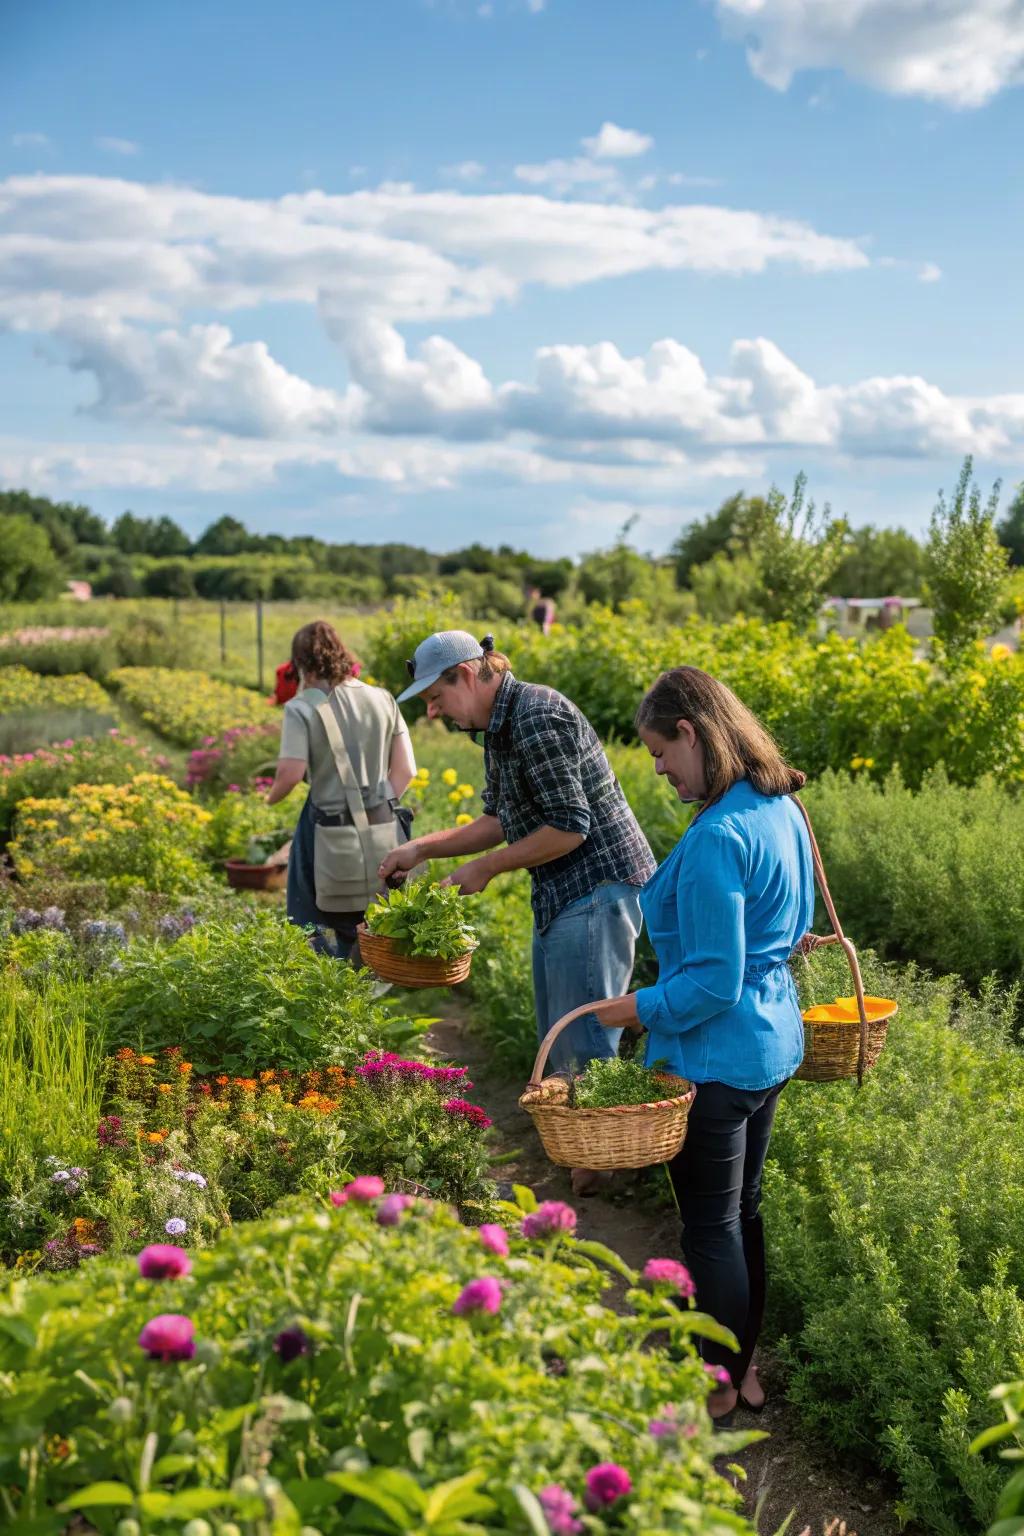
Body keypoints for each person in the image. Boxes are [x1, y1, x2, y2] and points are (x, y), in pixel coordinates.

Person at [596, 666, 814, 1422]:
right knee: (743, 1213)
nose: (658, 770)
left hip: (717, 1057)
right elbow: (778, 933)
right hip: (771, 1043)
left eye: (661, 752)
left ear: (691, 731)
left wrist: (638, 1008)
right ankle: (743, 1368)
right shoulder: (777, 804)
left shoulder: (721, 834)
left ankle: (717, 1383)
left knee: (710, 1229)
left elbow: (714, 983)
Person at [379, 629, 655, 1194]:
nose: (434, 713)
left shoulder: (538, 715)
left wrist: (487, 868)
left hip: (597, 887)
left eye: (436, 697)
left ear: (468, 675)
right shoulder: (499, 729)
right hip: (565, 891)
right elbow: (502, 819)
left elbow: (570, 827)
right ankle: (587, 1157)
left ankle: (608, 1171)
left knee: (585, 1037)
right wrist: (422, 848)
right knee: (559, 1033)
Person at [266, 621, 416, 960]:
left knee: (308, 915)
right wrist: (373, 807)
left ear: (300, 664)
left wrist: (268, 798)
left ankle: (328, 988)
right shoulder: (382, 699)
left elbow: (290, 774)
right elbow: (406, 771)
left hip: (325, 826)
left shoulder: (301, 708)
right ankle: (366, 982)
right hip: (381, 824)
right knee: (368, 911)